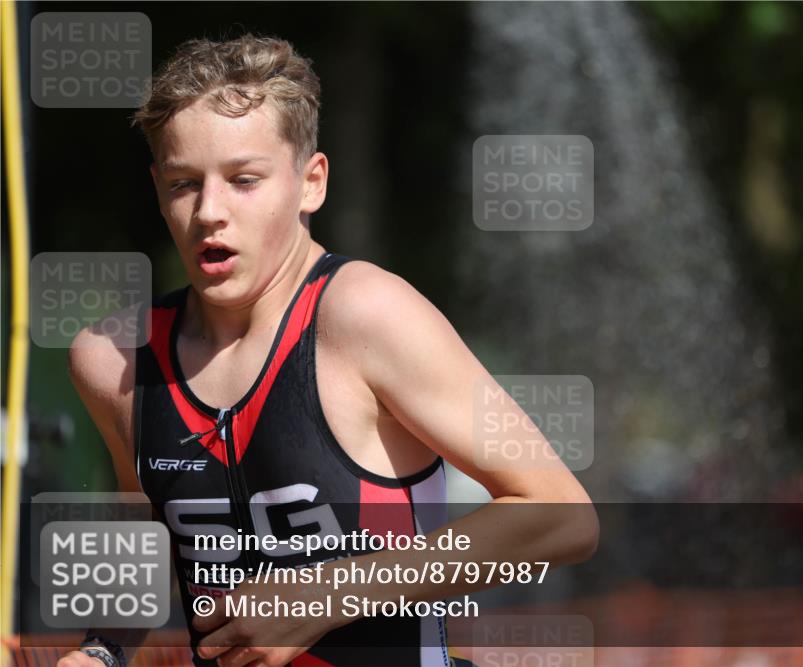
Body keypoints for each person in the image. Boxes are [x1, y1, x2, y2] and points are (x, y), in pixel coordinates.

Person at [57, 34, 598, 667]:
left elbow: (561, 517)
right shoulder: (112, 360)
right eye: (183, 184)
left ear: (311, 183)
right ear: (157, 190)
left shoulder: (369, 316)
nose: (209, 212)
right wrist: (102, 652)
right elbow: (146, 543)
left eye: (244, 180)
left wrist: (324, 595)